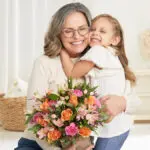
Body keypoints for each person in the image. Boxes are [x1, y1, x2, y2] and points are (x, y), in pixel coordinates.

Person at [15, 2, 140, 150]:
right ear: (58, 33)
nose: (76, 36)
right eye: (68, 31)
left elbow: (137, 102)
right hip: (39, 145)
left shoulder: (101, 59)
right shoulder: (44, 63)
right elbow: (33, 117)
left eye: (82, 29)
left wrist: (123, 102)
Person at [60, 14, 140, 150]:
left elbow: (73, 73)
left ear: (115, 40)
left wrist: (62, 52)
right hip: (117, 123)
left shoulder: (98, 51)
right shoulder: (111, 54)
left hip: (113, 128)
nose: (95, 33)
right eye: (93, 29)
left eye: (102, 31)